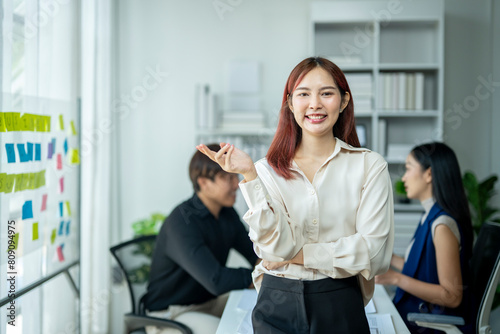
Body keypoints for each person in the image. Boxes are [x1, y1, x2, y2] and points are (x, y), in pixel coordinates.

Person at [197, 56, 394, 333]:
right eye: (303, 94)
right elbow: (271, 249)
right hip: (277, 301)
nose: (315, 104)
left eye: (326, 93)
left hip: (339, 300)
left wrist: (297, 255)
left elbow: (373, 254)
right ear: (290, 103)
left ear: (344, 100)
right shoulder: (265, 170)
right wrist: (250, 177)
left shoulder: (369, 166)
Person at [144, 144, 259, 334]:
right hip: (169, 314)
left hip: (207, 303)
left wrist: (270, 269)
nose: (236, 184)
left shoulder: (226, 214)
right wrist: (261, 274)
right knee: (229, 332)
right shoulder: (181, 222)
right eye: (226, 177)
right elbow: (217, 281)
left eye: (235, 175)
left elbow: (255, 253)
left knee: (264, 313)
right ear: (204, 183)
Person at [375, 142, 474, 333]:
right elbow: (423, 271)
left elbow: (452, 296)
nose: (403, 178)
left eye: (408, 169)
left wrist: (396, 279)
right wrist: (386, 257)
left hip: (428, 323)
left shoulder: (442, 225)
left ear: (428, 174)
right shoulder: (430, 216)